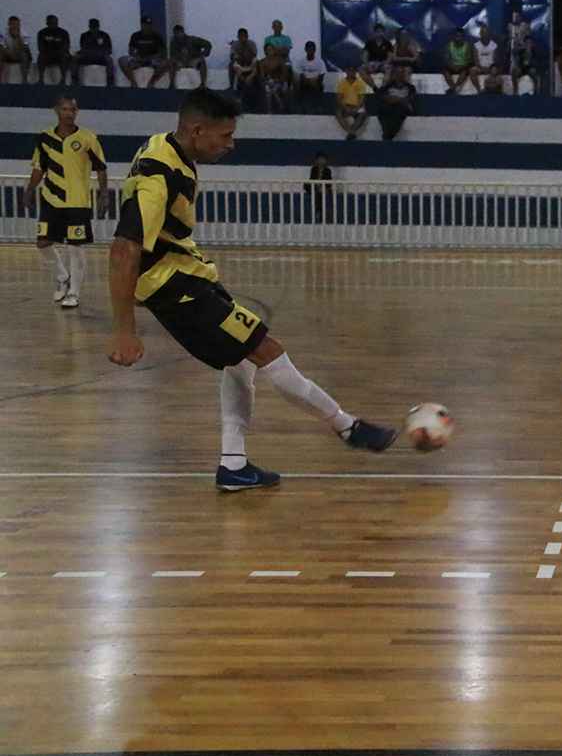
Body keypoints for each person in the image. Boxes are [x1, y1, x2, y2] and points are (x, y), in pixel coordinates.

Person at [107, 89, 397, 491]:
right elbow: (124, 250)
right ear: (196, 130)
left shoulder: (168, 148)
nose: (231, 144)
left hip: (190, 276)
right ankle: (348, 427)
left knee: (239, 361)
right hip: (174, 289)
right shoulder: (162, 174)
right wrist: (124, 329)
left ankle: (233, 464)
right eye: (224, 136)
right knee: (266, 350)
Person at [22, 95, 108, 308]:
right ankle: (62, 277)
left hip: (78, 202)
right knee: (43, 243)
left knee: (75, 247)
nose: (69, 113)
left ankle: (74, 293)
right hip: (51, 200)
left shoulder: (88, 138)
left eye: (73, 110)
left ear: (76, 112)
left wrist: (103, 194)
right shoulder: (44, 138)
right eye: (65, 109)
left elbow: (101, 167)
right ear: (56, 111)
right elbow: (38, 167)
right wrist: (30, 190)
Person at [119, 16, 171, 88]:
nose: (147, 27)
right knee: (122, 60)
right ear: (141, 25)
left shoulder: (157, 36)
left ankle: (152, 82)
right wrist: (136, 56)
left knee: (167, 62)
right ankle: (133, 82)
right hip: (138, 60)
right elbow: (131, 50)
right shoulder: (135, 35)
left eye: (149, 25)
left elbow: (163, 52)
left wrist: (152, 57)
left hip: (152, 60)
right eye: (145, 25)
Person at [377, 65, 418, 140]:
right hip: (389, 107)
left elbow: (409, 100)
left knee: (399, 110)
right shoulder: (388, 86)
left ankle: (388, 135)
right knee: (383, 109)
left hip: (402, 109)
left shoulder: (411, 87)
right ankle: (388, 133)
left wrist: (395, 99)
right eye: (397, 73)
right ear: (394, 74)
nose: (399, 75)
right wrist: (400, 99)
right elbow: (384, 98)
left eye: (401, 73)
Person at [167, 24, 212, 89]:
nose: (178, 35)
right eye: (176, 33)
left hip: (192, 61)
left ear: (183, 32)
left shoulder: (193, 39)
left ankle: (203, 84)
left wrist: (202, 54)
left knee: (202, 61)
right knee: (171, 61)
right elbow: (173, 55)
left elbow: (208, 44)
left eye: (179, 33)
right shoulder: (173, 42)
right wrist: (177, 61)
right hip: (181, 62)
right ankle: (171, 84)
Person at [75, 19, 117, 87]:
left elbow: (109, 50)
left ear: (98, 26)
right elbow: (83, 49)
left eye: (95, 27)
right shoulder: (84, 35)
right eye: (92, 27)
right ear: (89, 26)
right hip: (88, 57)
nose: (94, 29)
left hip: (101, 57)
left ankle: (110, 82)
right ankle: (75, 81)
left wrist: (101, 53)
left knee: (109, 60)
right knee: (75, 58)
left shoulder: (105, 35)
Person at [35, 15, 72, 86]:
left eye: (55, 23)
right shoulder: (42, 32)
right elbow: (40, 47)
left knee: (65, 56)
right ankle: (41, 79)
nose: (53, 25)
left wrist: (59, 52)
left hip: (60, 54)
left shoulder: (63, 32)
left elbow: (66, 46)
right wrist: (49, 52)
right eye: (51, 23)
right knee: (41, 56)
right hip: (47, 54)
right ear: (47, 23)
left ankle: (63, 80)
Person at [335, 64, 369, 140]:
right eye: (349, 70)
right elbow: (338, 98)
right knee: (338, 112)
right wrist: (345, 108)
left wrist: (356, 108)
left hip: (357, 106)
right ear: (346, 72)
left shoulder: (360, 83)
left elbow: (362, 98)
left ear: (355, 72)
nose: (351, 72)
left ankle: (351, 131)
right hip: (345, 106)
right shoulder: (341, 83)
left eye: (353, 71)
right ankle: (351, 132)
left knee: (363, 113)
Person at [294, 40, 327, 112]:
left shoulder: (320, 62)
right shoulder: (301, 61)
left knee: (320, 85)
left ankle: (318, 106)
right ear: (305, 50)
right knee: (297, 83)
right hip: (304, 81)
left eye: (312, 49)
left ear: (315, 50)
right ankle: (299, 106)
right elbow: (301, 75)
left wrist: (314, 81)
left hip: (316, 81)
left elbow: (322, 76)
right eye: (308, 49)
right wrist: (308, 81)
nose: (310, 51)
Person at [1, 16, 33, 84]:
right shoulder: (3, 33)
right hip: (8, 54)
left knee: (25, 54)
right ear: (9, 24)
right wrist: (9, 53)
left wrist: (17, 36)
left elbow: (25, 47)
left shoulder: (24, 33)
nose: (15, 26)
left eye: (17, 24)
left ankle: (24, 80)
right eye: (13, 24)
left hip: (19, 54)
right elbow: (2, 47)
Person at [443, 29, 475, 94]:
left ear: (463, 37)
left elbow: (469, 60)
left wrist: (461, 66)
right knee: (445, 71)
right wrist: (452, 66)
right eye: (457, 36)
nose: (458, 38)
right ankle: (454, 88)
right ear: (454, 37)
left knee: (465, 71)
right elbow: (446, 59)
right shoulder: (449, 45)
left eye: (460, 36)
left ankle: (453, 88)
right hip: (452, 66)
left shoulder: (467, 46)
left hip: (463, 66)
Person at [306, 151, 334, 223]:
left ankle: (320, 213)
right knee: (315, 192)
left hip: (324, 189)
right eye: (319, 159)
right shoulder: (314, 169)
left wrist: (322, 187)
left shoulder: (328, 170)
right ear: (316, 160)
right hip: (315, 188)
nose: (321, 161)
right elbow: (311, 179)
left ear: (326, 161)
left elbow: (329, 182)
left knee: (321, 193)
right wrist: (317, 187)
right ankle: (318, 212)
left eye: (323, 159)